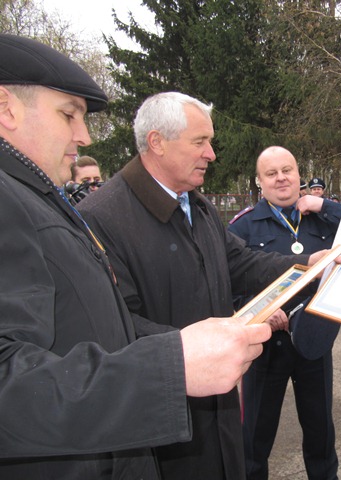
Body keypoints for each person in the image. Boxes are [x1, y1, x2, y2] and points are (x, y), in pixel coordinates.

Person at [0, 33, 272, 480]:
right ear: (8, 107)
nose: (83, 136)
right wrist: (172, 364)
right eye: (68, 115)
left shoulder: (36, 196)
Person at [78, 94, 326, 480]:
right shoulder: (100, 218)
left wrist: (305, 264)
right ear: (158, 142)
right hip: (164, 421)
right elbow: (112, 324)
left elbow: (239, 261)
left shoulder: (198, 205)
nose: (211, 154)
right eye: (200, 142)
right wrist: (189, 353)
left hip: (220, 402)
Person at [228, 146, 341, 480]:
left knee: (320, 433)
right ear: (259, 182)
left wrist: (325, 204)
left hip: (314, 343)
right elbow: (229, 280)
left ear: (298, 175)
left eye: (287, 170)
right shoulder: (244, 226)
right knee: (255, 439)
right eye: (271, 173)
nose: (281, 178)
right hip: (265, 348)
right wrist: (261, 312)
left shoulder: (321, 217)